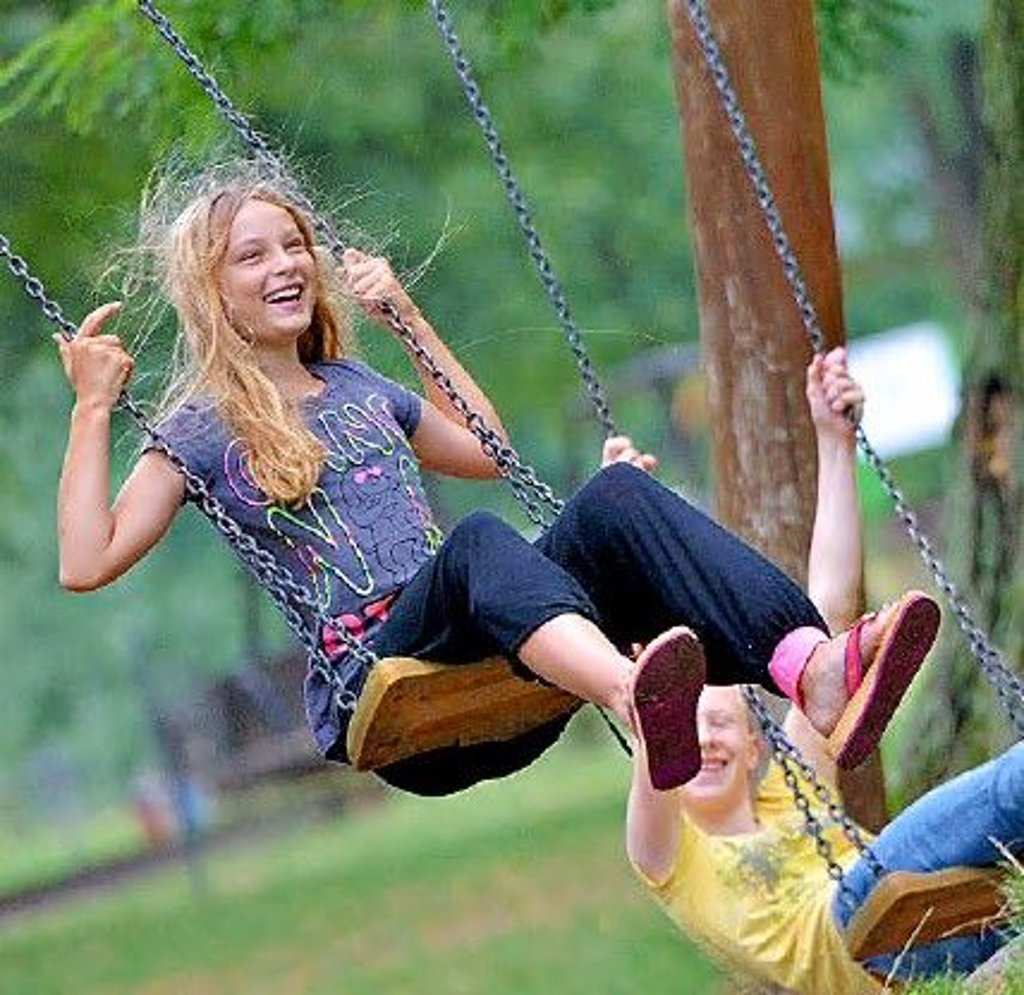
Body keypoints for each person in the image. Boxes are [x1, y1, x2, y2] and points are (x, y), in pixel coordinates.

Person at [54, 162, 937, 796]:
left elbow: (487, 451)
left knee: (616, 497)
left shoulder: (361, 388)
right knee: (478, 539)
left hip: (492, 656)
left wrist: (405, 318)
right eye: (253, 256)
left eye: (294, 245)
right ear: (211, 289)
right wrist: (94, 409)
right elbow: (87, 559)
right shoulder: (199, 430)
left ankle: (811, 668)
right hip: (390, 691)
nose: (286, 264)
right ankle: (635, 699)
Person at [625, 349, 1023, 992]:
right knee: (1013, 788)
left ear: (757, 742)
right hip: (867, 939)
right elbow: (649, 702)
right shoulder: (670, 857)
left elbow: (830, 608)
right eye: (687, 726)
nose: (703, 739)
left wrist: (835, 442)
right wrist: (629, 540)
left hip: (946, 927)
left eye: (722, 722)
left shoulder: (789, 792)